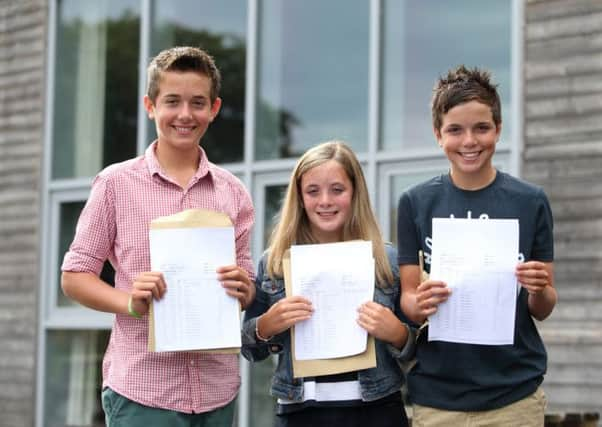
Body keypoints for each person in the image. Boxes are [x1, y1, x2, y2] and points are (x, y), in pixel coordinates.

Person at [61, 46, 255, 426]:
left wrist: (244, 289)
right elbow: (74, 276)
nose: (185, 114)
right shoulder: (115, 184)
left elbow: (246, 281)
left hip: (218, 392)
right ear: (150, 106)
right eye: (172, 101)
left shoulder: (233, 192)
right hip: (143, 393)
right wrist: (130, 302)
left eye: (198, 103)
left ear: (214, 109)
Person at [397, 65, 557, 426]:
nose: (469, 141)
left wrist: (540, 288)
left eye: (481, 128)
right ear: (439, 134)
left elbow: (543, 307)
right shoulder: (415, 203)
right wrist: (418, 302)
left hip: (514, 395)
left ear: (498, 129)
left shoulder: (530, 202)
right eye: (455, 130)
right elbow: (408, 300)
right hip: (437, 398)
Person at [242, 141, 414, 427]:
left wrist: (397, 333)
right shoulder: (273, 264)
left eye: (337, 189)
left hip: (377, 409)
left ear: (355, 192)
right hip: (300, 412)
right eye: (313, 191)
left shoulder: (387, 259)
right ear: (299, 197)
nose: (325, 201)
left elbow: (418, 346)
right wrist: (266, 325)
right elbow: (250, 349)